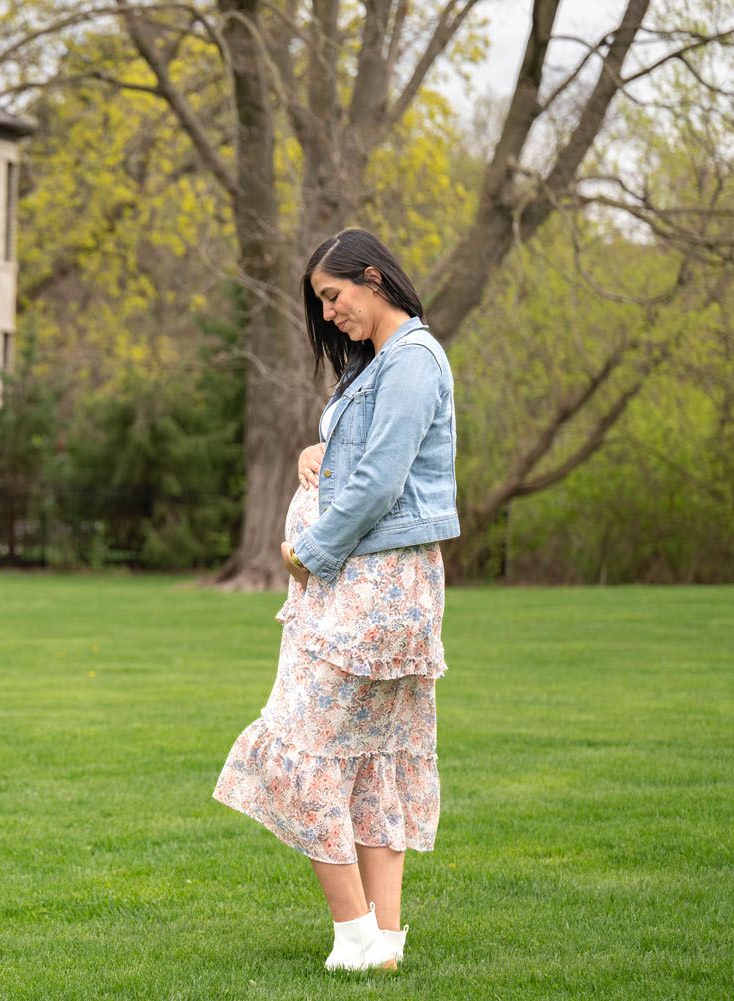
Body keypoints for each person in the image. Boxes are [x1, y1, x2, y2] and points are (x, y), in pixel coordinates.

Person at [213, 228, 458, 971]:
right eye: (321, 303)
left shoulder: (412, 359)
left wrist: (305, 556)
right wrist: (316, 454)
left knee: (294, 748)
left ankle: (354, 932)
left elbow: (384, 484)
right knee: (370, 756)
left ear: (374, 277)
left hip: (372, 586)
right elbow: (372, 459)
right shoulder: (377, 364)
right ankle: (382, 940)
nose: (329, 313)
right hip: (371, 583)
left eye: (333, 295)